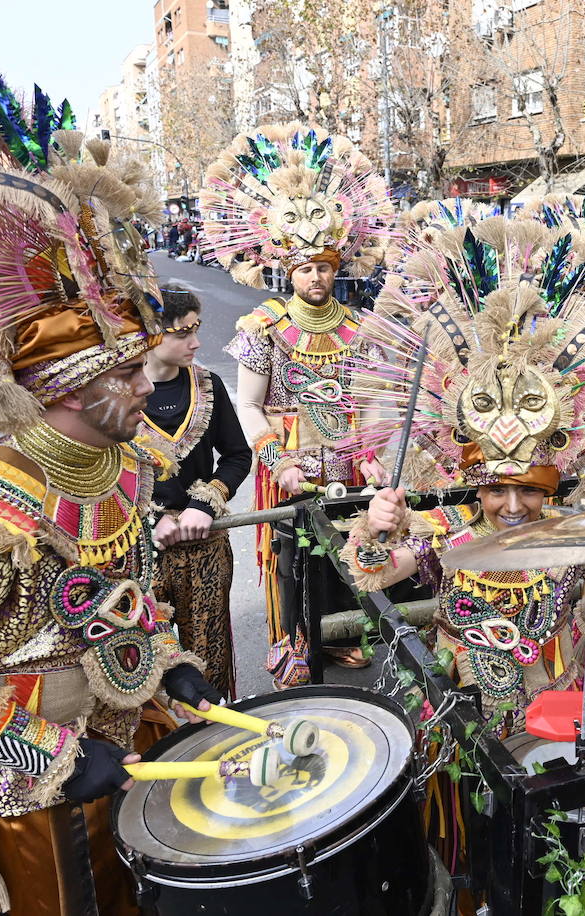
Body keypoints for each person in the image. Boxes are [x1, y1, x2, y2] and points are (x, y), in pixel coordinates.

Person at [0, 49, 221, 916]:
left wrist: (169, 664)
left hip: (116, 743)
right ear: (61, 389)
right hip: (17, 788)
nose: (150, 387)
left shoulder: (126, 463)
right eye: (128, 373)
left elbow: (120, 597)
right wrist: (45, 753)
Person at [336, 217, 585, 734]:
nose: (510, 505)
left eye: (526, 491)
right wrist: (375, 525)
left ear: (547, 488)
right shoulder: (449, 527)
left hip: (555, 705)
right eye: (497, 490)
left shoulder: (568, 530)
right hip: (463, 710)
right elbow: (378, 571)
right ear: (478, 486)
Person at [201, 122, 395, 667]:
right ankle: (294, 642)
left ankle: (343, 636)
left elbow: (376, 397)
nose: (316, 277)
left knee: (350, 541)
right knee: (292, 552)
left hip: (350, 451)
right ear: (289, 271)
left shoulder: (360, 327)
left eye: (324, 268)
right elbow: (248, 404)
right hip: (288, 454)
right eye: (306, 268)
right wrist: (276, 459)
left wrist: (377, 451)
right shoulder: (263, 327)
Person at [140, 285, 253, 700]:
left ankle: (214, 741)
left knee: (209, 655)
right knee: (142, 657)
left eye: (196, 328)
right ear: (150, 335)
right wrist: (150, 521)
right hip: (140, 552)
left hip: (205, 544)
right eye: (181, 333)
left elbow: (238, 456)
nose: (196, 341)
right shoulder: (120, 396)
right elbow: (102, 477)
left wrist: (204, 504)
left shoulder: (208, 385)